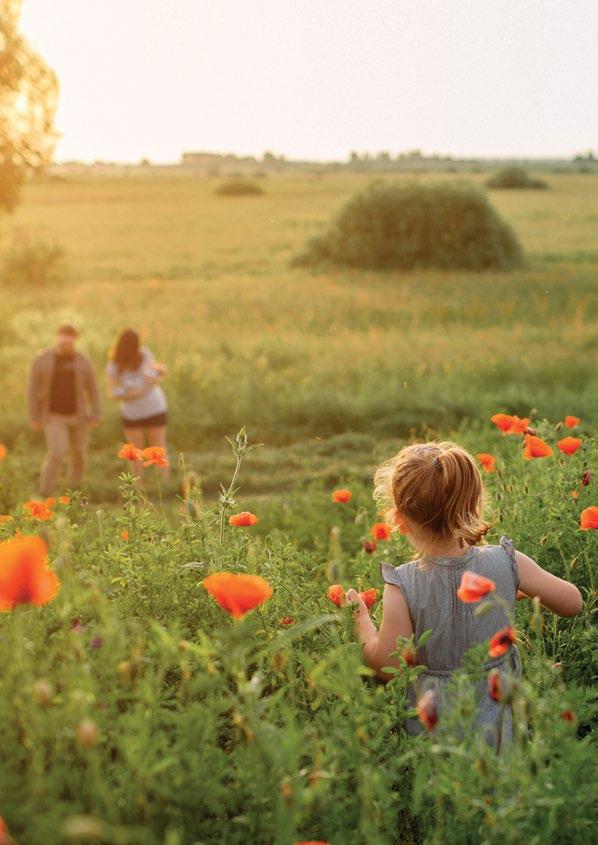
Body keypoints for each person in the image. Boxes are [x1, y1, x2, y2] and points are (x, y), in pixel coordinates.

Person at [346, 441, 583, 749]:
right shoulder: (507, 561)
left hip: (437, 737)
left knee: (446, 795)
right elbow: (573, 603)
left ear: (399, 519)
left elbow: (386, 665)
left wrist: (359, 617)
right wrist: (510, 586)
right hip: (499, 729)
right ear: (472, 504)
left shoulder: (402, 585)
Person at [27, 323, 101, 496]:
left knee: (79, 456)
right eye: (63, 335)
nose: (66, 339)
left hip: (79, 416)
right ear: (57, 336)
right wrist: (34, 416)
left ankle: (74, 493)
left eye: (70, 336)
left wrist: (96, 413)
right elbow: (31, 389)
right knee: (57, 451)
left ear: (75, 339)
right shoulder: (42, 359)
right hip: (53, 416)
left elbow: (93, 389)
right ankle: (45, 493)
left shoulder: (83, 360)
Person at [105, 329, 169, 479]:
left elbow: (155, 374)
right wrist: (131, 394)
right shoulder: (114, 365)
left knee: (158, 447)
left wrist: (159, 372)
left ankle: (164, 482)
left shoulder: (144, 354)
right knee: (135, 451)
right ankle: (137, 484)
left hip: (154, 408)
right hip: (132, 412)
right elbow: (112, 392)